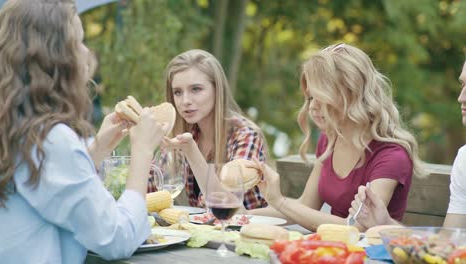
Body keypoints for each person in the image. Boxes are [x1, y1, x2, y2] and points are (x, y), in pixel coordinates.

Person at [0, 0, 169, 262]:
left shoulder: (13, 127)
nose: (85, 51)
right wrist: (143, 152)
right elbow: (116, 238)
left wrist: (97, 149)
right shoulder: (50, 139)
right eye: (79, 41)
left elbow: (48, 192)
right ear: (56, 56)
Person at [249, 43, 425, 231]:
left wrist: (280, 201)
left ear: (351, 93)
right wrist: (239, 215)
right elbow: (306, 206)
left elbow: (358, 227)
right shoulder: (330, 139)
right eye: (310, 98)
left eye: (321, 96)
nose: (312, 107)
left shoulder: (391, 156)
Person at [349, 60, 466, 229]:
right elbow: (448, 245)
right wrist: (387, 224)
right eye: (462, 85)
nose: (461, 97)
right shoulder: (464, 159)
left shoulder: (392, 154)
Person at [147, 49, 268, 209]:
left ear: (217, 90)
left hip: (245, 230)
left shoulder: (245, 135)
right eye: (177, 92)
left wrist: (190, 150)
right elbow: (149, 189)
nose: (185, 101)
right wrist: (143, 146)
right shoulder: (185, 133)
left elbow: (225, 204)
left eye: (196, 89)